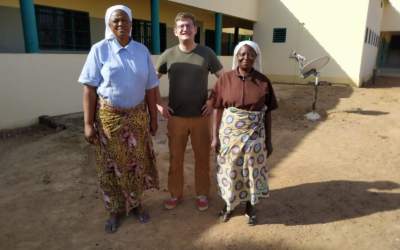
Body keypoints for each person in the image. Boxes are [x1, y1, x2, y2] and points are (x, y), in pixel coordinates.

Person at [78, 5, 160, 233]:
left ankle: (135, 205)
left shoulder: (142, 51)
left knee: (137, 164)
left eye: (125, 20)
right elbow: (89, 89)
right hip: (109, 121)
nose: (121, 24)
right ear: (109, 24)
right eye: (116, 21)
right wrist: (87, 124)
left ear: (132, 23)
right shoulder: (99, 50)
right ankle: (115, 210)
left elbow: (151, 88)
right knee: (110, 166)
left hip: (137, 119)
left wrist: (154, 118)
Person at [156, 12, 223, 211]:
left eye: (188, 25)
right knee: (176, 158)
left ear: (195, 29)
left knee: (202, 158)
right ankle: (175, 194)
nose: (185, 29)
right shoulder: (168, 55)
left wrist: (212, 101)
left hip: (201, 118)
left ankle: (202, 194)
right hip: (175, 117)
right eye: (181, 26)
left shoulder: (207, 53)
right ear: (176, 31)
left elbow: (224, 79)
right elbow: (151, 82)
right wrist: (159, 104)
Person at [210, 41, 278, 225]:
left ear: (256, 57)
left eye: (250, 54)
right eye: (242, 54)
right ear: (236, 56)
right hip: (229, 136)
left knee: (253, 171)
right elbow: (217, 109)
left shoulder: (263, 81)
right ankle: (228, 204)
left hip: (255, 135)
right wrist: (215, 137)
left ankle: (251, 206)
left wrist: (268, 141)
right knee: (229, 170)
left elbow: (268, 112)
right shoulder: (225, 79)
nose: (246, 58)